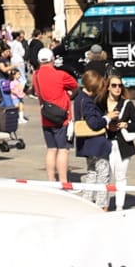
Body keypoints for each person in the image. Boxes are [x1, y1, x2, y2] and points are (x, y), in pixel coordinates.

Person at [32, 46, 79, 187]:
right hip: (62, 118)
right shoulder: (61, 75)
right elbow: (75, 85)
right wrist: (68, 95)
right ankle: (63, 181)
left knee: (51, 149)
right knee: (63, 150)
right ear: (52, 59)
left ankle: (51, 180)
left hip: (46, 117)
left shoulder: (36, 75)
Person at [71, 68, 115, 209]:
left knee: (91, 173)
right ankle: (102, 205)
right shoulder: (88, 102)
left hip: (86, 144)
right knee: (103, 174)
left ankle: (87, 202)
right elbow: (94, 123)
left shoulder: (78, 99)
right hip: (96, 144)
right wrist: (108, 118)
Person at [104, 74, 135, 210]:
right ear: (108, 87)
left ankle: (120, 207)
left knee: (120, 177)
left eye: (120, 85)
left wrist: (126, 125)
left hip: (122, 145)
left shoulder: (127, 104)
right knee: (105, 176)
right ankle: (105, 205)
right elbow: (93, 122)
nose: (117, 88)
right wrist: (106, 125)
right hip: (106, 144)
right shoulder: (100, 102)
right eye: (114, 85)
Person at [0, 61, 26, 152]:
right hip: (14, 97)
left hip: (16, 97)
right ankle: (19, 117)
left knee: (14, 109)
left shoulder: (16, 82)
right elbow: (12, 90)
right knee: (13, 108)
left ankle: (20, 117)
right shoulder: (11, 83)